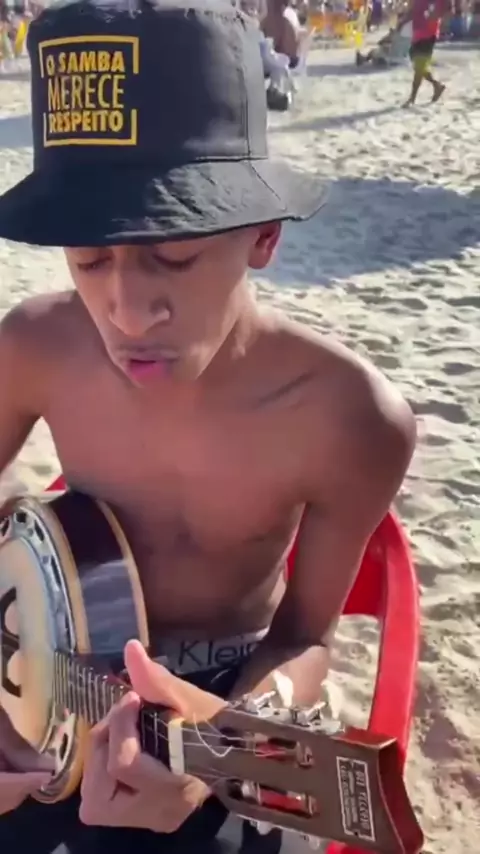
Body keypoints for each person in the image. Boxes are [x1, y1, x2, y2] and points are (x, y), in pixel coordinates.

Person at [0, 0, 415, 852]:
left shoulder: (351, 418)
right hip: (40, 669)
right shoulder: (32, 346)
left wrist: (225, 748)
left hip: (226, 692)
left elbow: (305, 639)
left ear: (263, 237)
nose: (126, 310)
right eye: (88, 258)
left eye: (175, 256)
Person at [403, 0, 449, 106]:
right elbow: (412, 10)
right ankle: (437, 86)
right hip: (417, 33)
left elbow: (446, 8)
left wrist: (436, 16)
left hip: (428, 33)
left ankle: (412, 98)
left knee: (419, 66)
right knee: (418, 65)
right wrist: (402, 22)